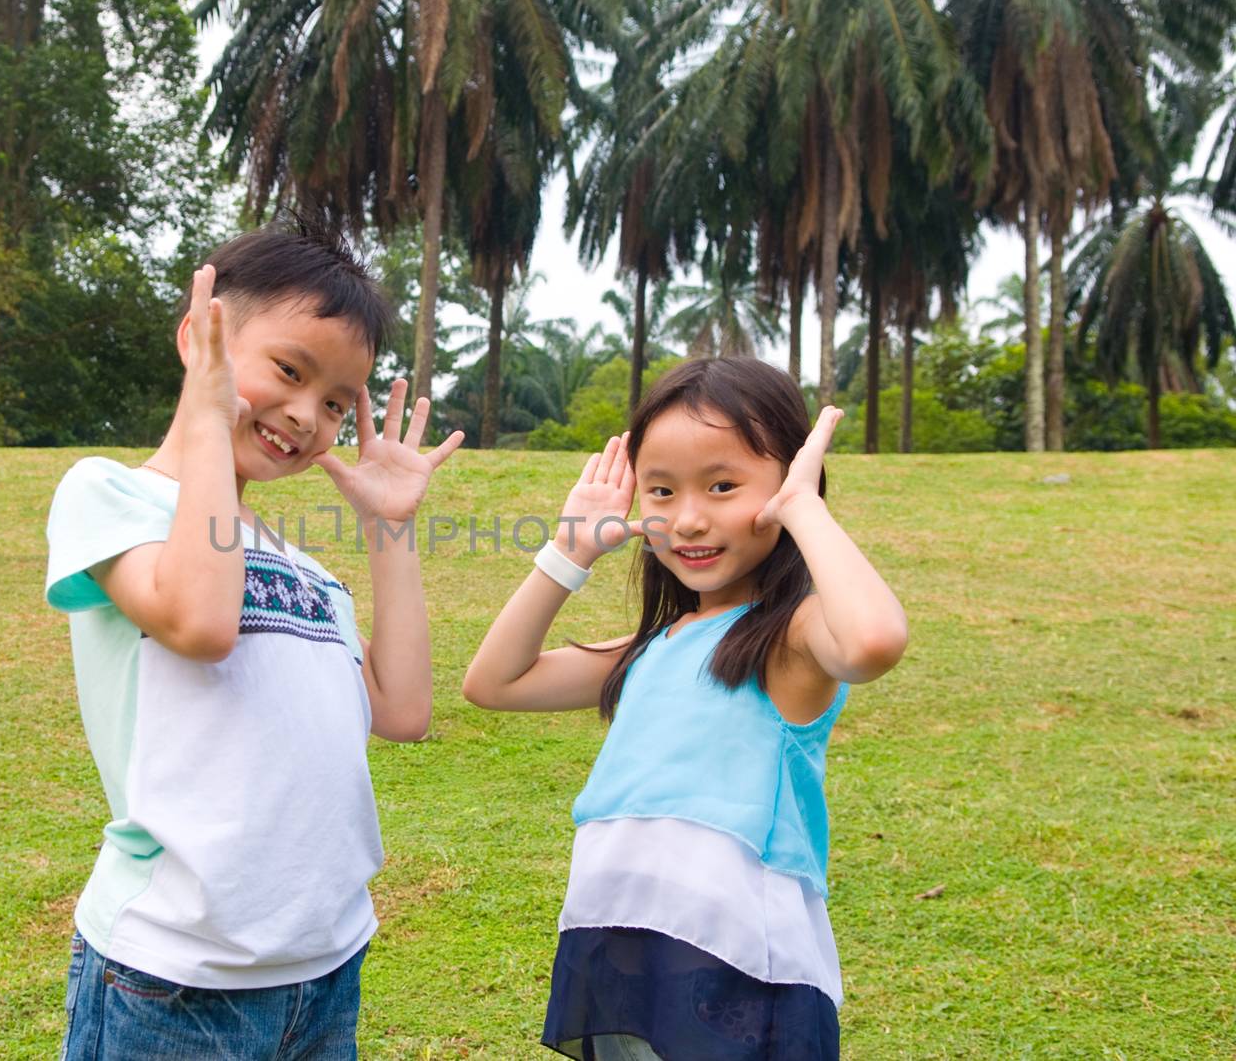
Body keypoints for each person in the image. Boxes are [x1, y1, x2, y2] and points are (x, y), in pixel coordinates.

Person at [44, 220, 463, 1059]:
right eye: (289, 371)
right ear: (203, 339)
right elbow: (201, 624)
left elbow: (406, 708)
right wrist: (205, 421)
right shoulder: (110, 496)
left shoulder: (304, 569)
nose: (308, 416)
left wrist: (389, 532)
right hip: (176, 976)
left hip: (322, 966)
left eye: (338, 403)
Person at [462, 357, 907, 1060]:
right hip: (620, 937)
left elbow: (874, 640)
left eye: (724, 486)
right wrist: (568, 552)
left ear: (788, 482)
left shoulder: (787, 640)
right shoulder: (650, 648)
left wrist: (804, 507)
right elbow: (493, 682)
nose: (689, 518)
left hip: (736, 961)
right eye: (661, 491)